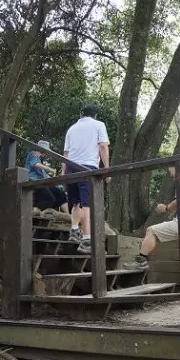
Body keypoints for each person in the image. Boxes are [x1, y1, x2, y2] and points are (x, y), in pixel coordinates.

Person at [62, 104, 110, 254]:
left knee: (76, 202)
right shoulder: (98, 125)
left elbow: (66, 153)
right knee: (87, 204)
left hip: (71, 167)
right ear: (95, 115)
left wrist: (64, 172)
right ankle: (87, 239)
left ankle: (74, 230)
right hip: (88, 167)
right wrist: (107, 169)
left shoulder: (71, 128)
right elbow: (103, 146)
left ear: (81, 114)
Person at [124, 167, 178, 270]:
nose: (173, 178)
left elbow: (179, 201)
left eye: (173, 175)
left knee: (151, 231)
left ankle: (141, 261)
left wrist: (166, 208)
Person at [25, 141, 69, 214]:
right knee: (49, 198)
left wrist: (53, 178)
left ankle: (68, 215)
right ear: (41, 149)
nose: (46, 153)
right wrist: (49, 169)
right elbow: (34, 164)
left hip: (42, 183)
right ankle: (34, 211)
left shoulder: (40, 160)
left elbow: (44, 175)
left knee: (60, 193)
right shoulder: (33, 154)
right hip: (33, 181)